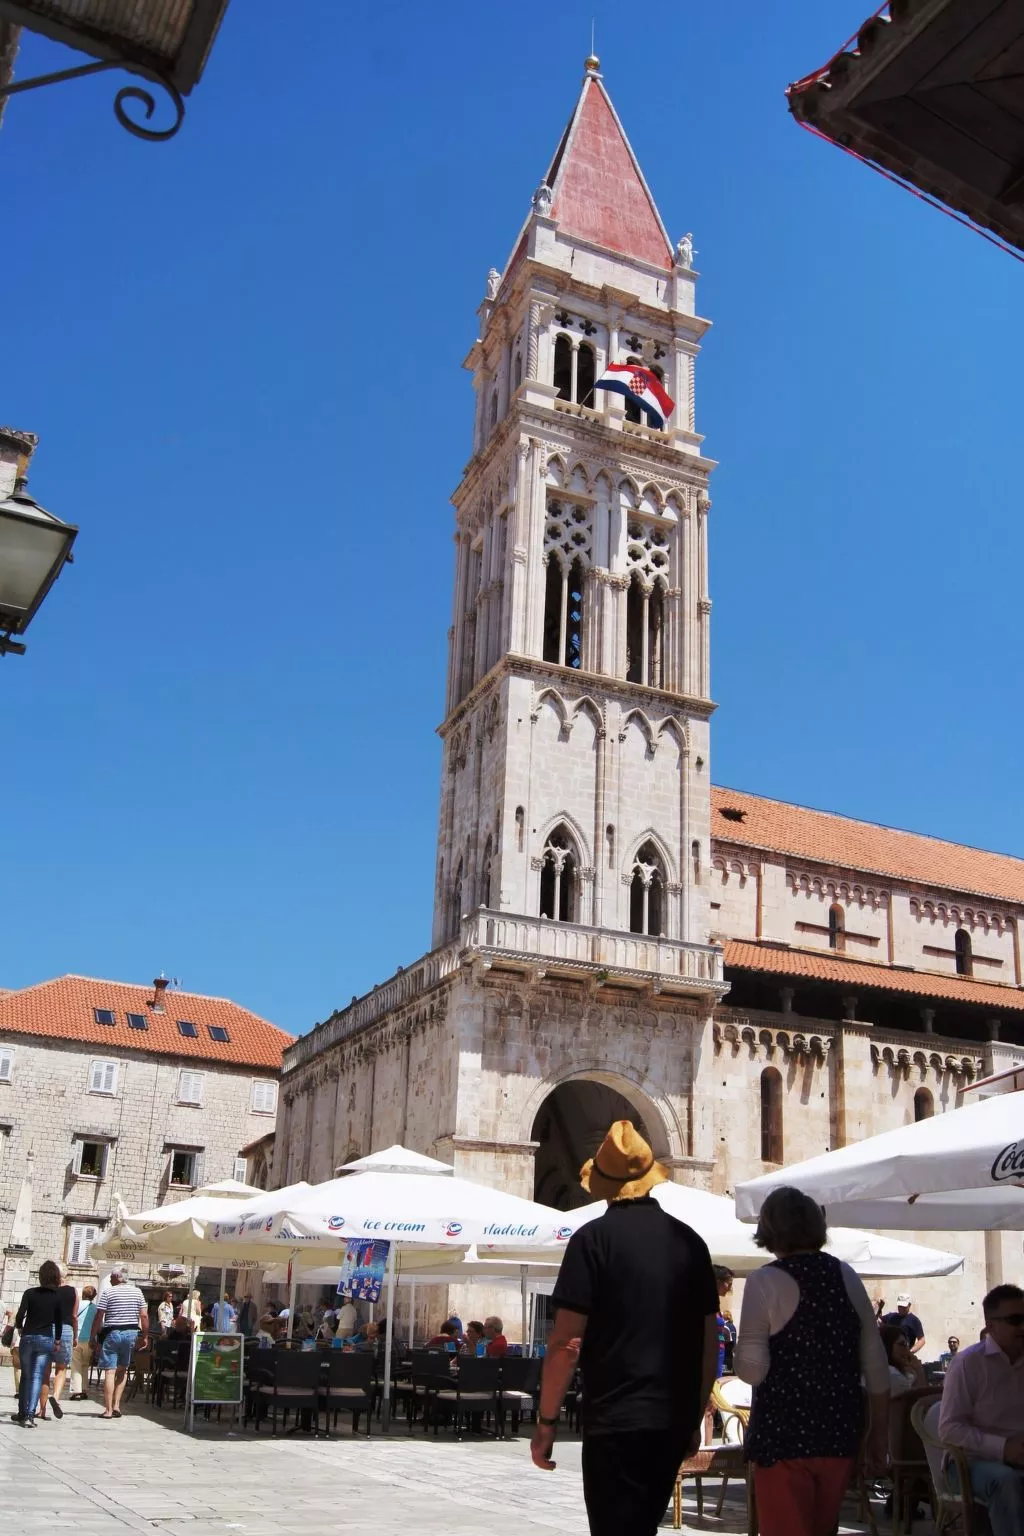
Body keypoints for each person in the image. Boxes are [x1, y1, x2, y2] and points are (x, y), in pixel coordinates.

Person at [531, 1120, 719, 1536]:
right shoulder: (691, 1242)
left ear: (601, 1183)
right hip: (669, 1421)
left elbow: (566, 1342)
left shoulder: (592, 1241)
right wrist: (694, 1415)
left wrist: (546, 1421)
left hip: (614, 1420)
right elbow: (709, 1343)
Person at [735, 1186, 889, 1536]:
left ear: (770, 1231)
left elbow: (751, 1370)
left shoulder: (764, 1281)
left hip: (782, 1435)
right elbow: (876, 1367)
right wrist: (880, 1434)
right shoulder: (846, 1276)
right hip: (838, 1433)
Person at [939, 1282, 1024, 1536]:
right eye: (1015, 1320)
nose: (1023, 1327)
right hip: (969, 1462)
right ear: (990, 1325)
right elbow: (949, 1429)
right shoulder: (968, 1364)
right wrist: (1003, 1448)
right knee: (1005, 1481)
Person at [10, 1260, 64, 1427]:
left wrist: (19, 1328)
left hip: (28, 1337)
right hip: (46, 1339)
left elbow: (20, 1315)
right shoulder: (57, 1296)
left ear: (40, 1276)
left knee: (26, 1375)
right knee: (37, 1377)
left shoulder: (29, 1293)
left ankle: (22, 1412)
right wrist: (57, 1341)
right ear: (56, 1277)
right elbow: (59, 1321)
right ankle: (30, 1416)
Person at [93, 1266, 148, 1420]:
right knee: (122, 1370)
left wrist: (93, 1335)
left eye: (111, 1277)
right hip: (131, 1333)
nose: (110, 1279)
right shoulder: (137, 1292)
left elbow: (99, 1316)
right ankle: (117, 1405)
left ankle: (108, 1409)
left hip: (112, 1333)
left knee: (110, 1371)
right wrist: (144, 1336)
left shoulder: (108, 1292)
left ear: (118, 1277)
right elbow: (144, 1316)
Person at [37, 1264, 78, 1419]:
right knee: (61, 1368)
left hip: (48, 1329)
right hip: (66, 1330)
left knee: (45, 1372)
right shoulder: (73, 1291)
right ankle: (56, 1396)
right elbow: (74, 1316)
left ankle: (42, 1410)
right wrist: (75, 1336)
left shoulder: (47, 1291)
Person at [880, 1323, 927, 1397]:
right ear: (887, 1346)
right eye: (902, 1344)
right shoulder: (893, 1375)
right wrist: (919, 1370)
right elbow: (920, 1401)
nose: (907, 1350)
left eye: (906, 1345)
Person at [70, 1285, 98, 1400]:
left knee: (76, 1365)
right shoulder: (95, 1308)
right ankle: (84, 1390)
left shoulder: (77, 1305)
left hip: (77, 1337)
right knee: (85, 1365)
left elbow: (73, 1318)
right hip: (90, 1340)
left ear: (83, 1294)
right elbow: (99, 1326)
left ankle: (76, 1391)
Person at [713, 1265, 737, 1376]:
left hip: (719, 1352)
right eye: (728, 1283)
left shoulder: (715, 1303)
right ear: (718, 1281)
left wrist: (722, 1341)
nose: (729, 1287)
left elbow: (719, 1332)